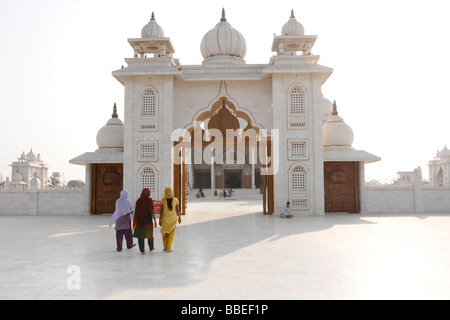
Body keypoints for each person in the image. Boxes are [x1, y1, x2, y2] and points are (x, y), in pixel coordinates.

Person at [133, 188, 157, 255]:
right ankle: (151, 248)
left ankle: (142, 251)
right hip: (148, 220)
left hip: (140, 220)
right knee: (150, 235)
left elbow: (136, 212)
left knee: (141, 236)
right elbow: (152, 211)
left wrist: (134, 222)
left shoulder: (138, 201)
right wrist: (155, 220)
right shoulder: (150, 200)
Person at [159, 187, 182, 253]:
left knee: (165, 233)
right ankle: (168, 248)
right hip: (173, 219)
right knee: (171, 234)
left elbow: (161, 211)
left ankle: (165, 247)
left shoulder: (163, 200)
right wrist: (179, 217)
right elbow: (177, 210)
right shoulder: (175, 200)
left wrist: (160, 220)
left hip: (165, 220)